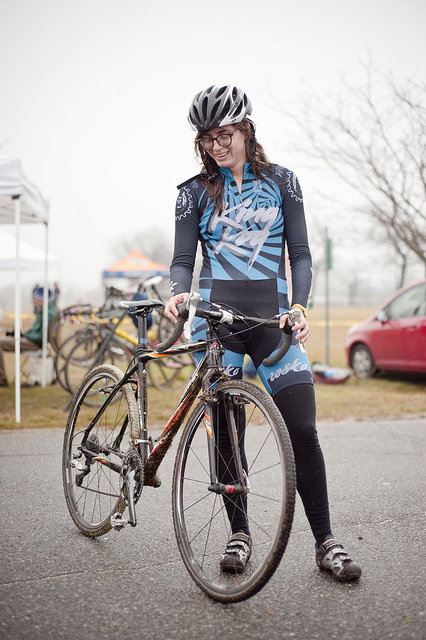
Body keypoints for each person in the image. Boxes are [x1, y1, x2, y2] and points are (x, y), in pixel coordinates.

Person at [165, 85, 362, 581]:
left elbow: (301, 254)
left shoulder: (283, 182)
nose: (216, 146)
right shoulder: (191, 193)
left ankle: (326, 541)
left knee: (303, 430)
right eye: (207, 139)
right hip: (216, 325)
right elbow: (183, 260)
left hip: (273, 322)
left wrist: (299, 306)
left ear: (246, 130)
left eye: (224, 135)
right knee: (226, 433)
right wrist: (178, 293)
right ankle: (239, 534)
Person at [0, 287, 58, 387]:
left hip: (35, 343)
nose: (34, 301)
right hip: (31, 340)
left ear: (43, 300)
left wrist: (24, 336)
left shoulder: (48, 313)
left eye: (36, 299)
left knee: (0, 342)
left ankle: (1, 379)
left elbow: (42, 336)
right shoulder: (44, 311)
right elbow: (36, 332)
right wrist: (21, 334)